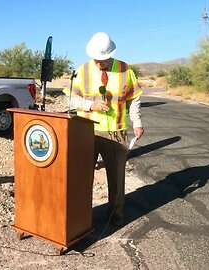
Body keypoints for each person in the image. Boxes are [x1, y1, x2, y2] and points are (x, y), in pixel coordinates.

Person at [64, 32, 144, 226]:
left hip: (116, 132)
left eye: (104, 58)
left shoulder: (126, 70)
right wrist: (90, 105)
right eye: (97, 59)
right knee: (82, 176)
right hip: (86, 132)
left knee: (117, 178)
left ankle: (115, 215)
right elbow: (70, 98)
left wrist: (137, 121)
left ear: (111, 54)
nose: (100, 62)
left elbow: (134, 98)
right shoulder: (82, 71)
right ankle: (81, 216)